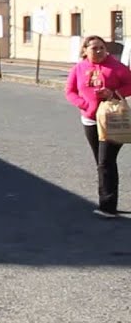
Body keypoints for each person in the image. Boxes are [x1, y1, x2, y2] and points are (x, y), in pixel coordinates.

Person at [65, 34, 131, 218]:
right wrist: (84, 104)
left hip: (113, 119)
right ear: (85, 50)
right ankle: (108, 200)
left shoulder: (117, 67)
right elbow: (69, 91)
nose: (100, 51)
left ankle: (107, 207)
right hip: (90, 120)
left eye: (102, 47)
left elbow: (130, 84)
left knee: (105, 162)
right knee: (103, 163)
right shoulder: (78, 68)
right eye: (94, 48)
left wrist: (113, 93)